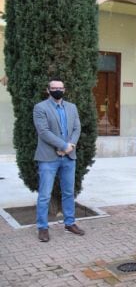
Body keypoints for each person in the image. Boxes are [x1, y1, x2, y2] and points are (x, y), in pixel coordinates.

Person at [33, 77, 84, 242]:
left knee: (69, 192)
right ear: (48, 90)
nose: (57, 90)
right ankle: (42, 227)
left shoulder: (72, 107)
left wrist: (71, 146)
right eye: (54, 88)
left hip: (69, 157)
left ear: (64, 89)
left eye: (60, 87)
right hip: (48, 157)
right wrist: (63, 146)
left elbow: (77, 128)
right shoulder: (40, 107)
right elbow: (43, 131)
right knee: (45, 195)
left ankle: (70, 223)